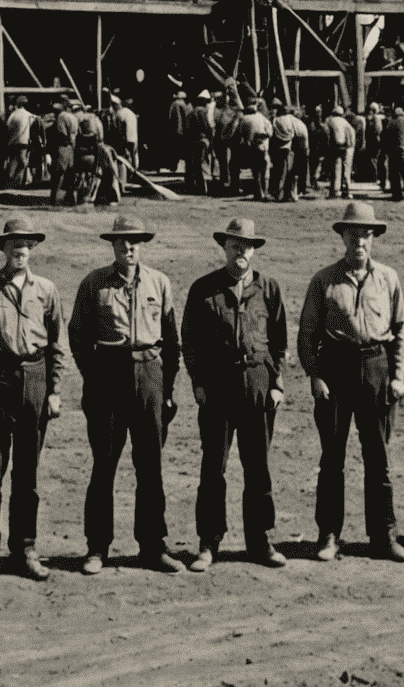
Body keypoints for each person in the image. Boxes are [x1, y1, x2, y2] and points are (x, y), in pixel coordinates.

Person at [70, 214, 183, 575]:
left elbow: (172, 340)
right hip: (108, 377)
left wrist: (166, 388)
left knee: (150, 467)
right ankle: (96, 548)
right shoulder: (94, 284)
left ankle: (153, 546)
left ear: (142, 244)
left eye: (134, 241)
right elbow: (77, 336)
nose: (128, 247)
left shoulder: (159, 282)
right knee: (104, 466)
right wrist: (94, 376)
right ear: (113, 245)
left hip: (149, 375)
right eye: (121, 242)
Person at [298, 200, 404, 563]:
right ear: (342, 238)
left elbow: (400, 328)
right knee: (332, 458)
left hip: (376, 367)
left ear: (374, 238)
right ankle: (329, 535)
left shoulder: (388, 278)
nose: (359, 241)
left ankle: (385, 536)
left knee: (378, 458)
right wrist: (315, 375)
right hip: (335, 369)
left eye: (365, 235)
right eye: (352, 235)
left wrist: (397, 376)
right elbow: (307, 332)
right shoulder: (324, 279)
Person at [0, 216, 66, 582]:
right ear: (2, 248)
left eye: (26, 243)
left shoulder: (47, 290)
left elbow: (56, 345)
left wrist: (54, 390)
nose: (19, 249)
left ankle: (26, 549)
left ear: (32, 248)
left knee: (28, 475)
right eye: (13, 243)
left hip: (33, 380)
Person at [182, 215, 288, 571]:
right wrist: (197, 381)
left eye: (246, 246)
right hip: (217, 387)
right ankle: (208, 543)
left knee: (258, 466)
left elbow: (280, 340)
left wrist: (277, 384)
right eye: (234, 246)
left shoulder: (269, 288)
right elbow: (190, 341)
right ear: (224, 248)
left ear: (255, 250)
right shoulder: (204, 289)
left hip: (258, 384)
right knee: (214, 467)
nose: (240, 252)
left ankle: (261, 541)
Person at [239, 99, 274, 200]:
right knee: (265, 171)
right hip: (264, 146)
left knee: (256, 172)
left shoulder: (245, 119)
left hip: (253, 147)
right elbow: (270, 132)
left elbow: (242, 133)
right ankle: (265, 193)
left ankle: (259, 193)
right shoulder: (262, 118)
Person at [322, 105, 356, 200]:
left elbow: (326, 134)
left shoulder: (329, 121)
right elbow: (351, 133)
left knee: (335, 169)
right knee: (346, 169)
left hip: (334, 146)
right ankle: (346, 190)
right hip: (346, 146)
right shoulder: (345, 122)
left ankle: (335, 191)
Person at [383, 105, 404, 203]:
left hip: (392, 149)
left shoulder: (391, 121)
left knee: (394, 172)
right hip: (402, 148)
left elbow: (386, 134)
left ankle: (396, 193)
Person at [6, 96, 36, 189]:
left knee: (13, 161)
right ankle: (17, 181)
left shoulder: (13, 115)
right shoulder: (29, 115)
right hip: (24, 141)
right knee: (22, 162)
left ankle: (12, 180)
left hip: (13, 141)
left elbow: (8, 126)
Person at [192, 90, 216, 196]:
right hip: (203, 139)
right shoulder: (201, 111)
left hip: (195, 140)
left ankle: (199, 187)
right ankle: (205, 188)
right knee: (204, 163)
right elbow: (206, 127)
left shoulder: (193, 111)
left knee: (197, 164)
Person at [165, 89, 193, 181]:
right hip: (182, 131)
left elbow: (170, 118)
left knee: (174, 149)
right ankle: (178, 167)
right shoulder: (182, 105)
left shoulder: (173, 104)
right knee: (182, 150)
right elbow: (186, 117)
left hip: (174, 131)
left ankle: (173, 166)